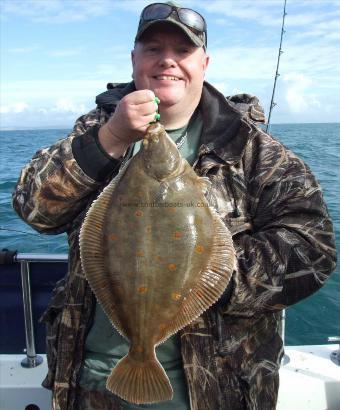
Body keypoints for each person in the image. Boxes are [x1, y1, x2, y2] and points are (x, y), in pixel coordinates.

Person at [12, 2, 336, 410]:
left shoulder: (253, 149)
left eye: (182, 51)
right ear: (134, 60)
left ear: (204, 62)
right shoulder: (94, 132)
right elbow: (34, 210)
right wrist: (109, 138)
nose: (167, 61)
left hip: (213, 390)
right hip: (90, 381)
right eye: (153, 49)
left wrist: (201, 273)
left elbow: (313, 249)